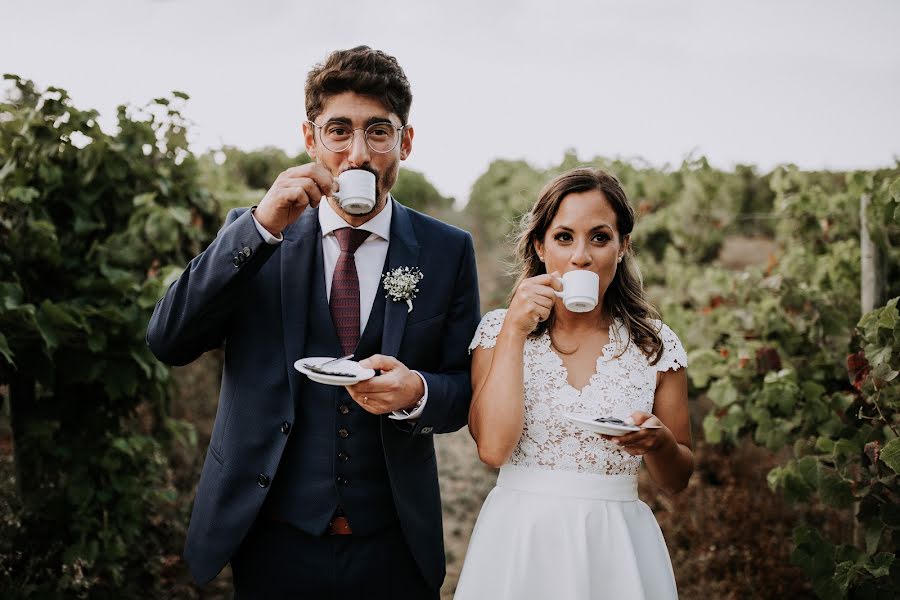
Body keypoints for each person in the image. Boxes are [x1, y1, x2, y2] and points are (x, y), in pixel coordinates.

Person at [147, 46, 480, 599]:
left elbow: (467, 388)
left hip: (392, 544)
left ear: (406, 141)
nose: (358, 154)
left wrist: (418, 391)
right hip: (272, 541)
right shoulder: (256, 235)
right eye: (338, 131)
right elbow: (168, 339)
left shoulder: (447, 251)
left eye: (378, 131)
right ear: (310, 139)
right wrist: (258, 228)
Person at [455, 167, 692, 599]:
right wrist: (513, 331)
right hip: (520, 540)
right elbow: (492, 448)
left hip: (617, 547)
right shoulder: (497, 331)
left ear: (622, 248)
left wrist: (659, 445)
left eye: (599, 237)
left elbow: (677, 479)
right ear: (540, 246)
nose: (581, 256)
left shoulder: (655, 344)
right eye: (564, 237)